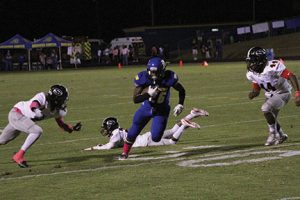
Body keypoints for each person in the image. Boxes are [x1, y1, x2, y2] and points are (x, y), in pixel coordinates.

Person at [119, 56, 186, 160]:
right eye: (151, 72)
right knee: (132, 132)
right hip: (146, 108)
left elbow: (181, 90)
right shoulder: (144, 77)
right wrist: (147, 94)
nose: (153, 75)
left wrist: (180, 104)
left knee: (156, 137)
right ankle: (125, 153)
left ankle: (178, 128)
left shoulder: (169, 77)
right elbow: (135, 99)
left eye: (156, 72)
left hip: (161, 110)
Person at [0, 84, 82, 168]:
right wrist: (36, 110)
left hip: (23, 119)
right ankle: (18, 156)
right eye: (62, 100)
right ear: (55, 99)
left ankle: (17, 155)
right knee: (36, 131)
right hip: (17, 114)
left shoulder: (59, 110)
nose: (64, 102)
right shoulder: (42, 97)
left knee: (2, 140)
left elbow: (61, 124)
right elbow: (34, 104)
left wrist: (72, 128)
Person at [245, 47, 300, 146]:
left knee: (266, 108)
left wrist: (297, 94)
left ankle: (272, 133)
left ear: (260, 60)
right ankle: (281, 135)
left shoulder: (272, 66)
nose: (250, 64)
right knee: (271, 116)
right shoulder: (251, 73)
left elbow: (291, 76)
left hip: (283, 93)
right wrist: (253, 94)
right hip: (271, 94)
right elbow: (257, 88)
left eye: (253, 61)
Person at [83, 108, 209, 151]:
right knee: (171, 131)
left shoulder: (116, 134)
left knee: (172, 142)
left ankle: (184, 124)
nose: (105, 130)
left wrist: (94, 148)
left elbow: (110, 146)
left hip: (146, 142)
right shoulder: (118, 132)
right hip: (146, 136)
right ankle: (192, 113)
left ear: (110, 127)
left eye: (106, 127)